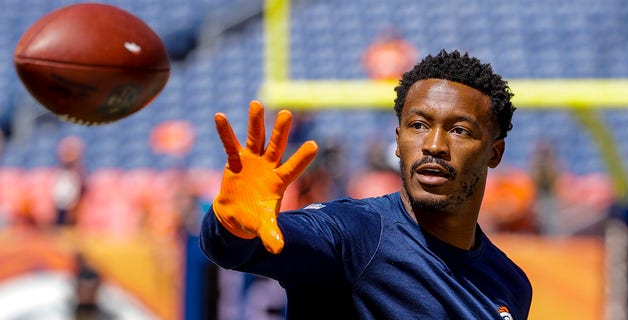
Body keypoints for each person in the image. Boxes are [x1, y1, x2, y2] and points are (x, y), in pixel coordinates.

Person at [200, 50, 532, 319]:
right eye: (418, 125)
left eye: (459, 130)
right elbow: (235, 249)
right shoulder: (356, 234)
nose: (434, 145)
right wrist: (230, 226)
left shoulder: (510, 285)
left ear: (494, 152)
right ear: (398, 141)